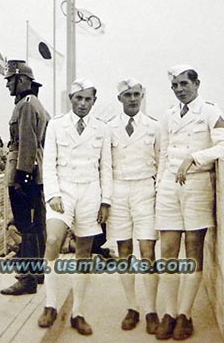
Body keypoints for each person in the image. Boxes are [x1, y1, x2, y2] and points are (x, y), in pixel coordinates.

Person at [155, 65, 224, 340]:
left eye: (184, 84)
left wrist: (195, 157)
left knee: (193, 249)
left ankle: (185, 314)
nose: (180, 89)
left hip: (196, 184)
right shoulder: (169, 115)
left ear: (197, 84)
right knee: (168, 250)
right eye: (175, 86)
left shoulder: (210, 111)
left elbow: (223, 144)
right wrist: (160, 185)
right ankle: (169, 313)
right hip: (170, 186)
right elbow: (163, 155)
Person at [38, 78, 111, 336]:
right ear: (71, 99)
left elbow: (105, 166)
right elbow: (48, 164)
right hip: (63, 191)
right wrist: (53, 194)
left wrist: (105, 200)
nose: (82, 103)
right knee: (53, 240)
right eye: (78, 98)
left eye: (88, 99)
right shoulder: (57, 125)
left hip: (90, 192)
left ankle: (78, 312)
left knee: (84, 251)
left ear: (94, 100)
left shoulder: (101, 128)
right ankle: (50, 304)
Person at [107, 78, 160, 334]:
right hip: (118, 191)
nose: (133, 98)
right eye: (127, 95)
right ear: (120, 98)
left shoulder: (154, 127)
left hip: (144, 190)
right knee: (124, 249)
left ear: (142, 95)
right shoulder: (109, 128)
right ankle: (132, 307)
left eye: (137, 94)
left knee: (147, 249)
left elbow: (161, 163)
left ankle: (151, 310)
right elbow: (105, 166)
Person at [0, 60, 49, 295]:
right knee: (36, 224)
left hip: (25, 172)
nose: (8, 84)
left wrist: (22, 176)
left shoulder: (27, 105)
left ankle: (27, 278)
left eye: (10, 79)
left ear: (22, 80)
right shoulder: (32, 103)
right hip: (34, 172)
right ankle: (37, 272)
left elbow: (27, 142)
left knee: (25, 226)